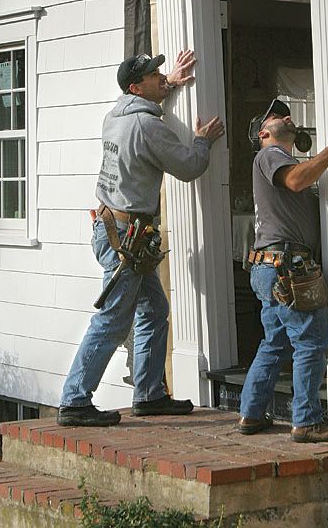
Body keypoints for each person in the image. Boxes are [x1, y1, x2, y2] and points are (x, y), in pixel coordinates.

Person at [58, 50, 225, 427]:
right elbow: (189, 167)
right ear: (137, 87)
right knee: (113, 320)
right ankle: (74, 401)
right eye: (154, 74)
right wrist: (201, 140)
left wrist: (170, 84)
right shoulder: (148, 127)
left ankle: (149, 394)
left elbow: (146, 107)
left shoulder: (116, 115)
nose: (161, 75)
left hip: (114, 228)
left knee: (154, 309)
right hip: (126, 239)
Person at [238, 99, 328, 442]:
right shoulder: (271, 155)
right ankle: (306, 421)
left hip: (268, 266)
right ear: (264, 132)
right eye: (277, 115)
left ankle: (250, 413)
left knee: (274, 342)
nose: (287, 117)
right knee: (312, 340)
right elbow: (295, 181)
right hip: (286, 265)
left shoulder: (279, 159)